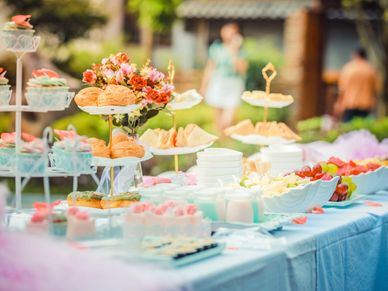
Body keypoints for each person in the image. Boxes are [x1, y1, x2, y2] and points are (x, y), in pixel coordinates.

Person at [200, 22, 248, 133]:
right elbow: (210, 68)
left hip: (234, 84)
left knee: (227, 120)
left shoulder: (240, 51)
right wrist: (203, 87)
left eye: (232, 31)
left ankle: (229, 137)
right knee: (218, 118)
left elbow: (242, 69)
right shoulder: (216, 48)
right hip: (218, 82)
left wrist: (234, 51)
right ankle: (223, 142)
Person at [335, 48, 379, 122]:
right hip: (366, 104)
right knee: (363, 129)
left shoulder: (348, 68)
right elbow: (376, 89)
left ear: (355, 55)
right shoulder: (371, 69)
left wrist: (338, 103)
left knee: (348, 128)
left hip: (349, 103)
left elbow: (342, 89)